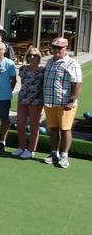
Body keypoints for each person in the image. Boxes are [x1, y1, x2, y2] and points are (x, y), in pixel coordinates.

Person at [42, 38, 82, 169]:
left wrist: (72, 100)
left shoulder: (72, 63)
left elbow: (77, 84)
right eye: (54, 47)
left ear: (66, 48)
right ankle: (54, 154)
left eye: (60, 48)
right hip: (50, 102)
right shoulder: (49, 62)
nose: (56, 50)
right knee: (53, 129)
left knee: (65, 130)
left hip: (65, 103)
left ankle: (64, 156)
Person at [12, 47, 44, 159]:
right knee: (20, 124)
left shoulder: (42, 70)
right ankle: (22, 147)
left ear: (39, 57)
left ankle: (31, 150)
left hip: (36, 101)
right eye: (30, 55)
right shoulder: (22, 69)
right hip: (22, 99)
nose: (32, 57)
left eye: (34, 55)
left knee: (34, 126)